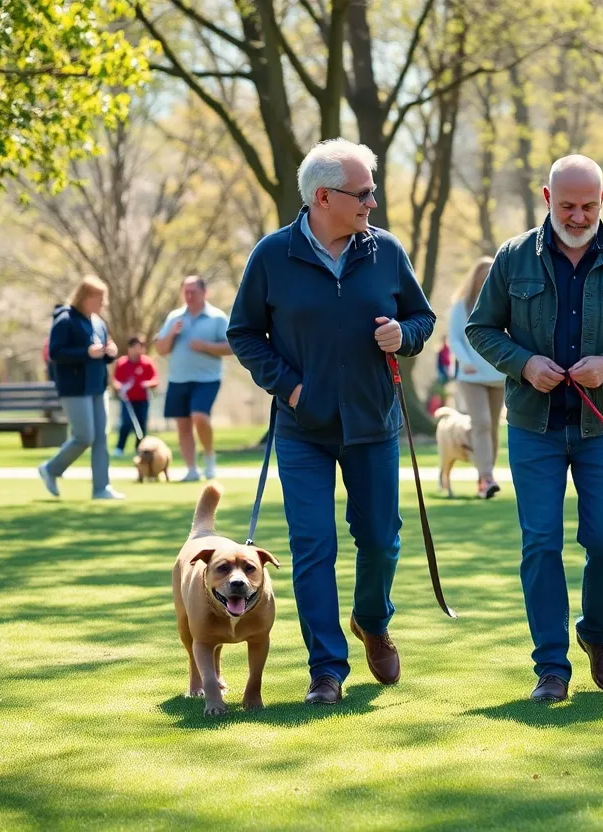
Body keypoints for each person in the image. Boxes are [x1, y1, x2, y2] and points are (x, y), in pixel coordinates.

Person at [228, 138, 437, 706]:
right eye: (363, 192)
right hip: (303, 428)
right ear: (324, 197)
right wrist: (291, 387)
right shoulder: (272, 256)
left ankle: (372, 620)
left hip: (373, 422)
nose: (373, 201)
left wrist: (405, 334)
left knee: (380, 541)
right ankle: (326, 669)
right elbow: (243, 333)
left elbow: (421, 316)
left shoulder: (386, 250)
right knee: (313, 545)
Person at [466, 155, 603, 704]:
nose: (578, 217)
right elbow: (480, 329)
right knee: (540, 545)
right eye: (566, 206)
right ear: (545, 197)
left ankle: (599, 636)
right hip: (533, 425)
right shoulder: (513, 258)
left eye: (588, 205)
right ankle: (551, 666)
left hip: (602, 424)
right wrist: (522, 363)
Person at [38, 276, 125, 500]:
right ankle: (51, 469)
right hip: (74, 388)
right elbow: (55, 353)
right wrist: (85, 353)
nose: (103, 304)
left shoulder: (98, 321)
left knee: (100, 438)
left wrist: (109, 352)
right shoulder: (65, 320)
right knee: (84, 436)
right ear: (86, 297)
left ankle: (101, 488)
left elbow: (102, 352)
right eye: (100, 298)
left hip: (97, 386)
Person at [155, 276, 231, 482]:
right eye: (185, 292)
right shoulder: (174, 317)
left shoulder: (217, 317)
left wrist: (206, 346)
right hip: (178, 379)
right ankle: (191, 469)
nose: (188, 296)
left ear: (204, 293)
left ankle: (209, 457)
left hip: (207, 379)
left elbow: (232, 347)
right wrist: (171, 333)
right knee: (183, 425)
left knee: (199, 416)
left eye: (193, 292)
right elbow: (160, 349)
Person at [449, 256, 507, 498]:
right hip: (471, 376)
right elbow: (455, 338)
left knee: (492, 426)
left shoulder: (504, 303)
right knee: (481, 422)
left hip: (498, 375)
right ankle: (485, 477)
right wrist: (466, 362)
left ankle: (487, 475)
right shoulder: (462, 305)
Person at [112, 336, 159, 456]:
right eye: (134, 347)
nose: (137, 351)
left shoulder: (147, 363)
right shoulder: (122, 362)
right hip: (128, 400)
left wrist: (148, 384)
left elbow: (155, 379)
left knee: (142, 424)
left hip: (143, 399)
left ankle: (140, 449)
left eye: (140, 348)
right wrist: (119, 386)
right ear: (129, 348)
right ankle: (119, 448)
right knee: (126, 423)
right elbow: (116, 380)